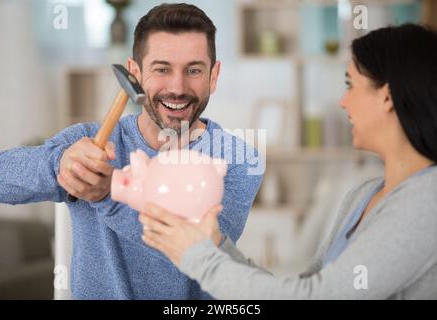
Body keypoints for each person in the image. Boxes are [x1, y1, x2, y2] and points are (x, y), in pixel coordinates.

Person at [139, 23, 437, 299]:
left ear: (387, 97)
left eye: (351, 84)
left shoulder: (426, 202)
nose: (342, 101)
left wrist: (197, 258)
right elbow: (305, 286)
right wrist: (216, 245)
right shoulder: (363, 195)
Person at [0, 3, 263, 299]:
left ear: (213, 75)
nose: (177, 86)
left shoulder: (238, 159)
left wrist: (110, 194)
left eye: (193, 70)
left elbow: (199, 249)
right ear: (135, 72)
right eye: (162, 69)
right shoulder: (88, 140)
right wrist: (59, 165)